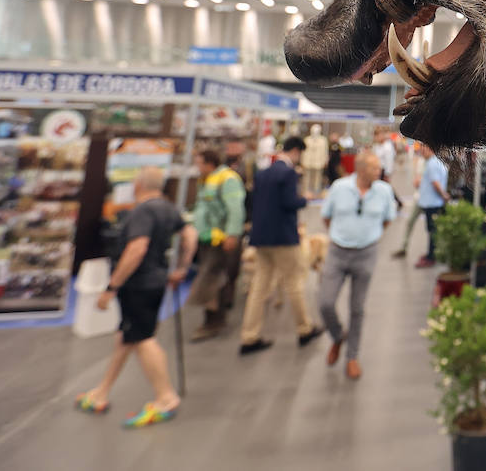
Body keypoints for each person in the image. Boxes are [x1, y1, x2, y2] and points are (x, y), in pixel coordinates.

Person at [75, 167, 197, 428]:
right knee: (127, 337)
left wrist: (111, 287)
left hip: (138, 285)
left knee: (142, 339)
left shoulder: (142, 211)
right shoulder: (168, 208)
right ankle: (101, 392)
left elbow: (136, 249)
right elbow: (190, 234)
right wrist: (182, 267)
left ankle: (166, 398)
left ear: (138, 184)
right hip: (155, 282)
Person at [319, 151, 398, 380]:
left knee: (357, 308)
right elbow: (326, 216)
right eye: (374, 168)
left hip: (366, 254)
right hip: (337, 251)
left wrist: (370, 236)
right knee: (325, 302)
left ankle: (352, 356)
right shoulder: (340, 187)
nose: (379, 171)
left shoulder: (383, 191)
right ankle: (337, 336)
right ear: (361, 169)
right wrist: (341, 234)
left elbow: (388, 218)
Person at [238, 136, 321, 354]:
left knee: (259, 287)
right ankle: (304, 329)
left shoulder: (263, 173)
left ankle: (249, 336)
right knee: (293, 282)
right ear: (295, 151)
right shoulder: (288, 173)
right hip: (283, 237)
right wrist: (306, 198)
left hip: (261, 237)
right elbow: (289, 202)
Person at [185, 149, 245, 341]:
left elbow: (235, 209)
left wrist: (232, 235)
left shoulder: (227, 179)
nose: (197, 167)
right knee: (211, 279)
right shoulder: (206, 179)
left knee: (211, 280)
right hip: (206, 237)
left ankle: (214, 321)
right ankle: (212, 319)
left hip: (220, 239)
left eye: (199, 163)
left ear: (209, 163)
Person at [415, 145, 450, 268]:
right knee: (432, 230)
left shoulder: (432, 164)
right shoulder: (435, 162)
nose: (422, 151)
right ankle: (431, 254)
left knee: (432, 230)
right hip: (432, 202)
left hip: (432, 203)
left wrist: (444, 195)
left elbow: (436, 183)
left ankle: (431, 257)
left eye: (424, 148)